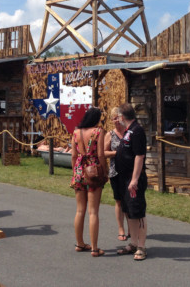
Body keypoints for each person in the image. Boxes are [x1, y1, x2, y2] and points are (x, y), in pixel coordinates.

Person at [70, 107, 107, 257]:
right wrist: (104, 172)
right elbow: (101, 154)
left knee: (80, 210)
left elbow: (73, 155)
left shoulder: (76, 132)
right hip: (93, 171)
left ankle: (79, 243)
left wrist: (75, 171)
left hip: (79, 170)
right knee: (93, 212)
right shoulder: (98, 131)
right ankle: (94, 248)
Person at [114, 103, 148, 261]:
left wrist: (134, 179)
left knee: (138, 212)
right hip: (123, 177)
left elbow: (139, 156)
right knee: (129, 212)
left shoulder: (137, 130)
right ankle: (133, 243)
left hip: (134, 178)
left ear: (122, 117)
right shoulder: (128, 131)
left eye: (118, 116)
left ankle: (141, 246)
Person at [104, 106, 129, 242]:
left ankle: (132, 228)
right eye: (114, 119)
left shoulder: (128, 132)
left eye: (119, 118)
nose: (117, 121)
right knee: (119, 201)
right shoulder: (110, 135)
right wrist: (117, 153)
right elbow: (103, 152)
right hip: (115, 172)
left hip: (129, 171)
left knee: (129, 201)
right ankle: (121, 229)